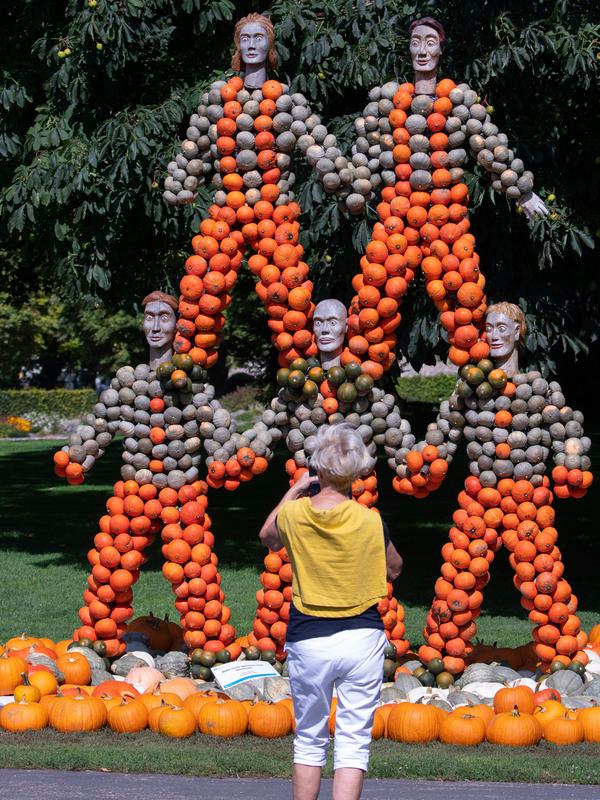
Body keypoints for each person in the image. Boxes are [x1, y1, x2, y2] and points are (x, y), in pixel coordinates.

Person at [259, 423, 403, 800]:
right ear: (357, 471)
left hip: (310, 637)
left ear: (316, 468)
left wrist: (293, 491)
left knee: (309, 738)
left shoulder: (293, 516)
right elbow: (395, 568)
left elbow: (267, 537)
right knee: (353, 742)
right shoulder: (370, 521)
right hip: (362, 637)